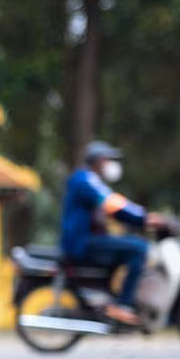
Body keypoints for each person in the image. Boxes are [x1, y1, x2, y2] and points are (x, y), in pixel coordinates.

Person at [59, 140, 164, 326]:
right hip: (82, 243)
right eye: (108, 160)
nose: (111, 165)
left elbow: (111, 208)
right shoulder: (85, 180)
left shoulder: (89, 181)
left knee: (128, 244)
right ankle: (122, 305)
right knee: (138, 248)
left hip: (87, 240)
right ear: (98, 161)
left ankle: (111, 298)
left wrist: (138, 219)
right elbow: (113, 205)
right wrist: (143, 218)